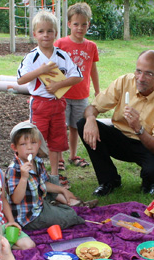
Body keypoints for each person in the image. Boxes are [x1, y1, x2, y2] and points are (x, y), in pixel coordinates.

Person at [77, 49, 154, 196]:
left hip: (145, 143)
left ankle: (148, 182)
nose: (141, 78)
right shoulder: (125, 81)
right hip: (119, 137)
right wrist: (91, 119)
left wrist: (138, 128)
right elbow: (93, 107)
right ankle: (109, 180)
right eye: (138, 71)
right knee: (83, 124)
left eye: (149, 74)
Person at [17, 10, 83, 186]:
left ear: (55, 33)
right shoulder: (31, 57)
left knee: (56, 140)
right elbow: (21, 79)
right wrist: (41, 71)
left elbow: (78, 76)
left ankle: (54, 176)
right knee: (35, 140)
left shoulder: (62, 55)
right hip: (39, 104)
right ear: (34, 34)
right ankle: (34, 174)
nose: (45, 35)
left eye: (49, 31)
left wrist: (58, 85)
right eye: (41, 31)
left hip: (58, 104)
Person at [6, 121, 88, 232]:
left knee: (54, 187)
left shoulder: (37, 161)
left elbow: (43, 183)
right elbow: (16, 199)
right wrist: (24, 178)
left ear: (39, 144)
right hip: (29, 217)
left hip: (39, 203)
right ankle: (61, 208)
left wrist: (62, 190)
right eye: (23, 144)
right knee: (70, 215)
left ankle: (60, 205)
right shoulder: (13, 169)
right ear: (14, 147)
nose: (29, 148)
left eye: (33, 143)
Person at [54, 2, 100, 170]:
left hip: (81, 95)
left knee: (75, 127)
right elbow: (53, 67)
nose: (80, 28)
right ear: (68, 24)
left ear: (88, 24)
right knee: (61, 127)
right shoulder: (60, 44)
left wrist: (98, 90)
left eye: (84, 24)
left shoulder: (91, 46)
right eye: (76, 24)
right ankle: (59, 158)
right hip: (63, 94)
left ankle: (73, 155)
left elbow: (93, 69)